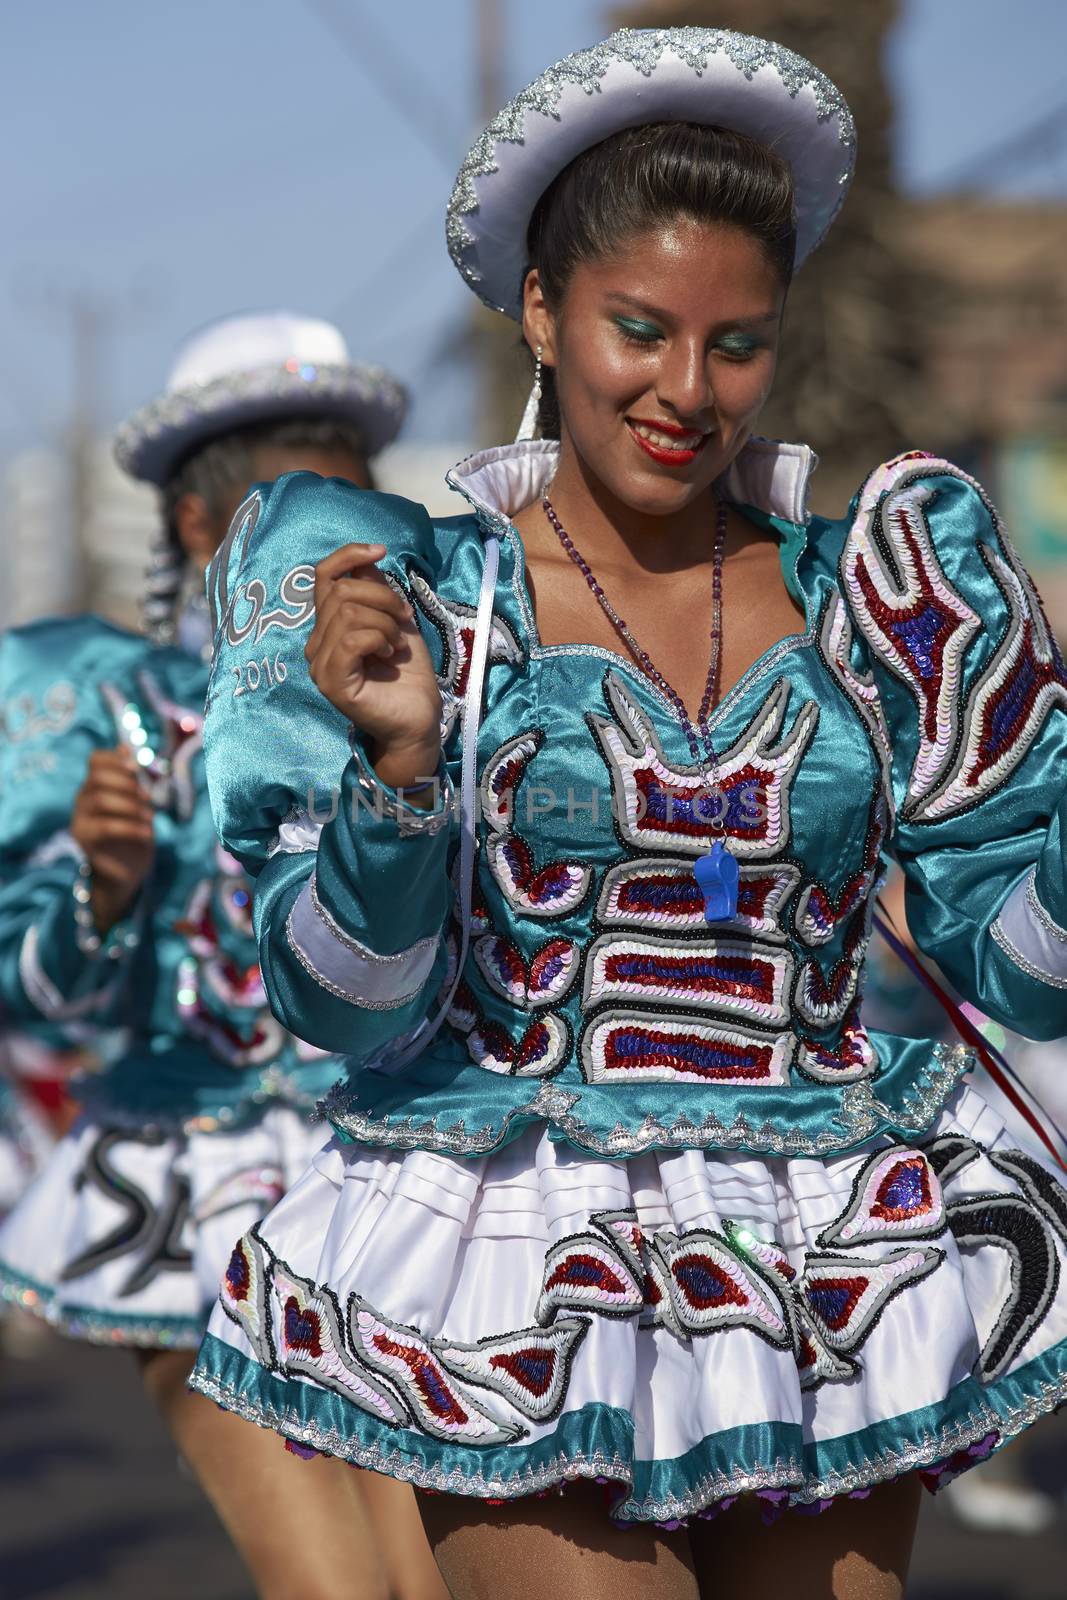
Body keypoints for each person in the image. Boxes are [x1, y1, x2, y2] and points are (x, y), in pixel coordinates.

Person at [189, 31, 1067, 1600]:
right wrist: (395, 782)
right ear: (540, 309)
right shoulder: (427, 609)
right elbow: (340, 1004)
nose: (684, 390)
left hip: (823, 1248)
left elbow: (1012, 962)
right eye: (637, 330)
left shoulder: (877, 599)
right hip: (519, 1248)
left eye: (736, 343)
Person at [0, 313, 446, 1600]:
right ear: (197, 532)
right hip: (198, 1192)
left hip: (403, 1179)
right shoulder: (108, 713)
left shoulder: (436, 697)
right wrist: (100, 889)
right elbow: (35, 993)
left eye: (348, 508)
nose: (326, 548)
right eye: (274, 509)